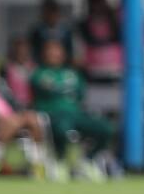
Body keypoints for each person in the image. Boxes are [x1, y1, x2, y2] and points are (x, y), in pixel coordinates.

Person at [31, 38, 114, 178]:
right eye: (51, 52)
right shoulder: (40, 73)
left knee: (106, 128)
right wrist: (64, 91)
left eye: (57, 51)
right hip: (54, 114)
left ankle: (88, 160)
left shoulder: (72, 74)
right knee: (62, 129)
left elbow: (80, 94)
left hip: (76, 113)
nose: (54, 55)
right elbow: (47, 90)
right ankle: (61, 160)